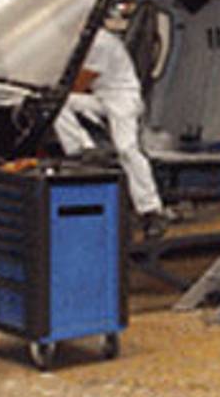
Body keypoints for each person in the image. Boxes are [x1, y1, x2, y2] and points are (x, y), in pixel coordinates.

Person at [54, 24, 167, 237]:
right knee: (57, 103)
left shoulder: (101, 43)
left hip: (123, 97)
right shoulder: (81, 39)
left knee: (127, 149)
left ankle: (152, 210)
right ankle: (82, 148)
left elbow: (79, 83)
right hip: (102, 97)